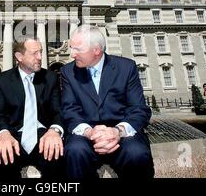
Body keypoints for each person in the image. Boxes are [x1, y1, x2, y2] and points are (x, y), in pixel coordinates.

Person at [60, 25, 154, 179]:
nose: (72, 54)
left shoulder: (126, 67)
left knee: (137, 153)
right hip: (86, 134)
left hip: (122, 134)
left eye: (77, 49)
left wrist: (117, 131)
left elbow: (139, 110)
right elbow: (69, 110)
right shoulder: (68, 72)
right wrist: (90, 133)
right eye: (72, 48)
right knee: (75, 151)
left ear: (96, 50)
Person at [0, 37, 65, 179]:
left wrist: (54, 130)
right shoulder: (1, 80)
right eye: (34, 53)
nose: (40, 57)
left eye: (41, 52)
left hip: (44, 136)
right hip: (13, 135)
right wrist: (4, 134)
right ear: (19, 56)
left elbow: (58, 111)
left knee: (57, 155)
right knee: (2, 158)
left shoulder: (50, 78)